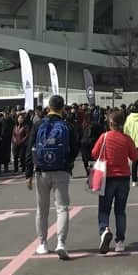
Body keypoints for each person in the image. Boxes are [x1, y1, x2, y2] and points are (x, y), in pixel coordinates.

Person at [25, 95, 79, 260]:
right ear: (63, 108)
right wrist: (68, 163)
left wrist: (28, 173)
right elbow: (75, 148)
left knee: (42, 209)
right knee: (62, 208)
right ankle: (61, 243)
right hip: (61, 170)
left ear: (48, 107)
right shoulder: (68, 126)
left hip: (42, 170)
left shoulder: (38, 124)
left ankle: (42, 243)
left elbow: (29, 148)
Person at [90, 109, 138, 254]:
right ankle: (120, 241)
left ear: (110, 122)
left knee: (104, 208)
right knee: (120, 211)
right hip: (123, 177)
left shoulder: (104, 137)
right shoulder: (126, 138)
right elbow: (135, 156)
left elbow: (93, 153)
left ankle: (104, 230)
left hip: (108, 177)